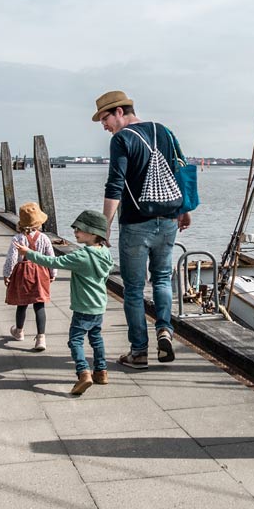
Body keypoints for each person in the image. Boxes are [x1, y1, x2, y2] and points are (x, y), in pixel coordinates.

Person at [93, 90, 191, 370]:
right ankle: (164, 330)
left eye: (105, 119)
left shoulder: (121, 139)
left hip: (136, 224)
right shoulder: (165, 131)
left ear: (120, 112)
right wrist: (185, 210)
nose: (104, 126)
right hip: (169, 220)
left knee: (134, 290)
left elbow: (114, 185)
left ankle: (138, 352)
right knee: (161, 279)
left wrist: (104, 228)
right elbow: (180, 171)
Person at [17, 209, 115, 395]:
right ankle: (101, 372)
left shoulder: (82, 256)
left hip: (83, 307)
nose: (75, 232)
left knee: (75, 340)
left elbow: (53, 262)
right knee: (96, 337)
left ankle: (83, 373)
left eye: (79, 229)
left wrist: (28, 253)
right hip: (99, 305)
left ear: (93, 233)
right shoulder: (106, 253)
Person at [3, 202, 56, 351]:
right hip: (40, 272)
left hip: (22, 273)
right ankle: (41, 338)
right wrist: (53, 274)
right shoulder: (44, 238)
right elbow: (50, 257)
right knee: (39, 304)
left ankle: (19, 331)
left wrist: (7, 274)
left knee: (22, 303)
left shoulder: (18, 238)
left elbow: (11, 259)